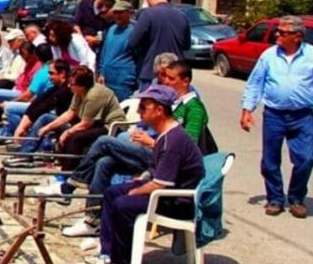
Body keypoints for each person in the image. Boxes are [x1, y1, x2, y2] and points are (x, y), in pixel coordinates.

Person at [57, 61, 211, 241]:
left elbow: (185, 145)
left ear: (185, 81)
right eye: (164, 77)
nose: (165, 81)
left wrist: (150, 142)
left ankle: (72, 183)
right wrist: (137, 132)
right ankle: (92, 220)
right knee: (104, 162)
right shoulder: (172, 101)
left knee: (105, 142)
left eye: (171, 78)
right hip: (152, 154)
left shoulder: (193, 108)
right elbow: (147, 125)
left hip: (164, 161)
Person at [92, 84, 205, 264]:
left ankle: (121, 259)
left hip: (177, 201)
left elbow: (161, 183)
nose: (139, 111)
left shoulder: (172, 141)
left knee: (123, 205)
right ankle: (107, 252)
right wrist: (142, 179)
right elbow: (155, 171)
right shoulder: (164, 135)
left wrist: (135, 191)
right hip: (164, 192)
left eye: (144, 107)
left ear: (159, 110)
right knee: (112, 192)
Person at [241, 15, 313, 219]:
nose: (277, 35)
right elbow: (255, 83)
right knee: (270, 161)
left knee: (307, 159)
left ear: (297, 36)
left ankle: (296, 198)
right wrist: (247, 110)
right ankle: (275, 198)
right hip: (274, 115)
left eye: (283, 32)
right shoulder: (269, 56)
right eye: (278, 31)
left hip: (302, 116)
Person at [35, 66, 126, 171]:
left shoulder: (94, 95)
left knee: (74, 138)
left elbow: (85, 124)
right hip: (95, 123)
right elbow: (69, 113)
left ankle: (67, 172)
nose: (69, 86)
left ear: (82, 86)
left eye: (72, 84)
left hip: (110, 125)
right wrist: (48, 127)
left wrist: (67, 133)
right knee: (60, 129)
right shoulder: (78, 92)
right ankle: (63, 164)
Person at [3, 60, 74, 166]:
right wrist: (22, 126)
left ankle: (25, 154)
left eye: (52, 73)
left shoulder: (67, 89)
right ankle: (26, 147)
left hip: (71, 124)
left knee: (45, 117)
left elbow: (44, 107)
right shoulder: (56, 87)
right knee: (32, 116)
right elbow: (37, 102)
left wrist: (24, 126)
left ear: (62, 73)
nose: (49, 77)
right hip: (61, 120)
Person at [127, 0, 191, 91]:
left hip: (151, 74)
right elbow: (186, 45)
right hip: (176, 75)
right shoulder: (182, 16)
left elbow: (132, 42)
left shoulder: (147, 14)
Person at [0, 41, 40, 131]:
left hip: (23, 92)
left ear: (33, 53)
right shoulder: (28, 63)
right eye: (22, 55)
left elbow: (30, 92)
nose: (24, 58)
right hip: (17, 88)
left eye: (26, 55)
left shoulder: (37, 67)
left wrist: (12, 101)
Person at [97, 1, 137, 101]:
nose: (117, 16)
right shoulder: (111, 29)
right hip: (106, 80)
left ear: (129, 13)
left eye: (121, 12)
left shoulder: (135, 31)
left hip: (123, 82)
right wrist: (101, 73)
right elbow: (104, 53)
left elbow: (139, 56)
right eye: (115, 12)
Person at [0, 29, 26, 95]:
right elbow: (6, 69)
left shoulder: (24, 56)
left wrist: (2, 77)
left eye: (11, 41)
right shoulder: (13, 54)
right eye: (8, 41)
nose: (9, 43)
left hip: (15, 83)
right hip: (7, 78)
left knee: (3, 84)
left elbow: (18, 76)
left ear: (19, 41)